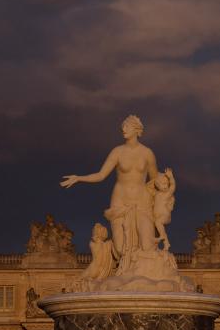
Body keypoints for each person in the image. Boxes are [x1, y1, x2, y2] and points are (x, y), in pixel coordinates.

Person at [61, 115, 159, 272]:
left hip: (142, 202)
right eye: (122, 127)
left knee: (146, 246)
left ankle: (140, 275)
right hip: (120, 202)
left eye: (126, 126)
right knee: (121, 249)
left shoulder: (147, 153)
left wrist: (168, 189)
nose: (123, 129)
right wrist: (79, 178)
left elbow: (155, 181)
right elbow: (101, 175)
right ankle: (104, 257)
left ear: (136, 130)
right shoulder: (117, 152)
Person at [149, 168, 175, 251]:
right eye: (162, 184)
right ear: (158, 185)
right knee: (152, 227)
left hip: (165, 215)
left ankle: (163, 239)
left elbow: (173, 186)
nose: (165, 186)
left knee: (158, 223)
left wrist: (170, 177)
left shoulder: (167, 194)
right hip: (156, 216)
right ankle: (164, 243)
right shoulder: (156, 194)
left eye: (166, 184)